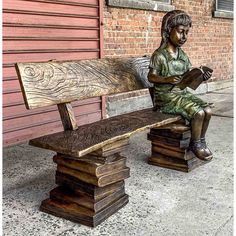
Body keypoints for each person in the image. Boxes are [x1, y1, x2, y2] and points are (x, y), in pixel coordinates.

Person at [148, 10, 213, 161]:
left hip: (180, 93)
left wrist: (201, 77)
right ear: (168, 30)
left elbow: (189, 81)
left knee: (208, 110)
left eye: (187, 32)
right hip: (165, 98)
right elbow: (150, 76)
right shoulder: (160, 55)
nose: (184, 37)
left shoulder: (182, 55)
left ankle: (201, 141)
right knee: (198, 113)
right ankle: (195, 144)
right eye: (180, 31)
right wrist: (167, 79)